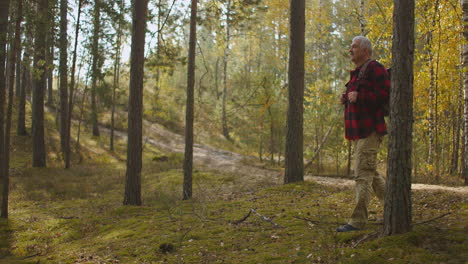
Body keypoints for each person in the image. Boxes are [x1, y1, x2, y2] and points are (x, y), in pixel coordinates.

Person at [336, 36, 390, 232]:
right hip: (359, 133)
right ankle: (392, 208)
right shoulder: (358, 73)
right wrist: (346, 97)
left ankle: (357, 222)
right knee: (371, 174)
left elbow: (385, 94)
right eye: (351, 46)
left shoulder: (376, 68)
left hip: (370, 131)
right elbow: (356, 97)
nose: (350, 49)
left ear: (365, 51)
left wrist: (360, 96)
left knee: (362, 176)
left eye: (354, 46)